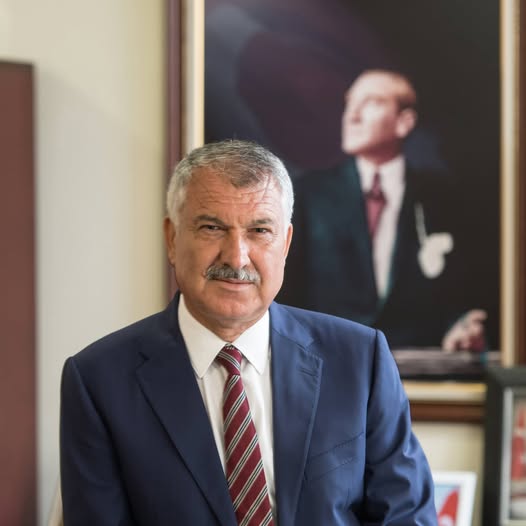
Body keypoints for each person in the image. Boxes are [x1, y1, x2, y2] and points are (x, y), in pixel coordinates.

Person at [60, 140, 437, 525]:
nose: (236, 257)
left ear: (285, 243)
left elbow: (406, 516)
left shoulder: (359, 359)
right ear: (172, 239)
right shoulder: (98, 381)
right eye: (212, 228)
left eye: (259, 230)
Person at [278, 69, 487, 351]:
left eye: (371, 102)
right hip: (329, 359)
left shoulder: (443, 198)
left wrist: (460, 326)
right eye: (350, 104)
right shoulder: (308, 194)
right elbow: (286, 293)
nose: (352, 116)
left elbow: (459, 293)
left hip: (420, 365)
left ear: (404, 122)